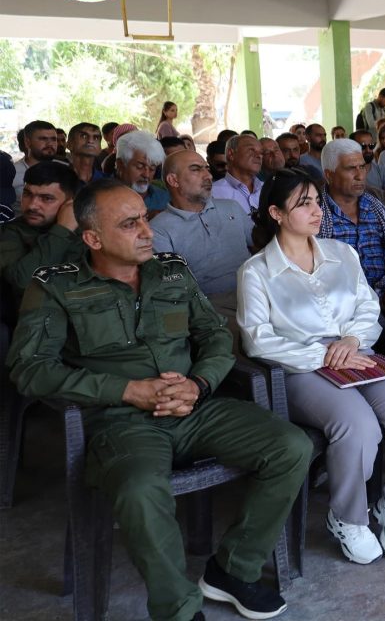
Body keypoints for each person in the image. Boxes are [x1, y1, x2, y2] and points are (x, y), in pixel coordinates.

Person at [8, 178, 311, 621]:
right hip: (120, 421)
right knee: (139, 490)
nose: (147, 232)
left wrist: (199, 385)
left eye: (144, 220)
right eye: (130, 225)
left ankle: (233, 569)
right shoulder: (56, 286)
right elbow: (29, 369)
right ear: (93, 238)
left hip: (194, 408)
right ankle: (178, 609)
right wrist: (127, 390)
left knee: (291, 446)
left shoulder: (170, 270)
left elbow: (213, 336)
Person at [237, 167, 385, 564]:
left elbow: (367, 306)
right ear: (276, 213)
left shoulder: (341, 253)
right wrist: (324, 355)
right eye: (304, 203)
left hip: (355, 352)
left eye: (317, 201)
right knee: (356, 423)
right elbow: (257, 339)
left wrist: (351, 341)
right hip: (301, 367)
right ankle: (348, 516)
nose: (317, 211)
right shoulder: (257, 272)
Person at [151, 149, 253, 305]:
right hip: (209, 306)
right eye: (196, 169)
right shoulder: (159, 229)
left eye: (207, 168)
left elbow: (260, 246)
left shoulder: (232, 207)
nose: (209, 176)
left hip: (255, 291)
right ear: (173, 180)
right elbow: (173, 288)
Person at [317, 139, 385, 306]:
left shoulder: (375, 205)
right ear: (329, 175)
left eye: (362, 167)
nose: (360, 176)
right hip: (339, 305)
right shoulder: (315, 213)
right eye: (351, 169)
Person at [0, 162, 85, 315]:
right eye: (27, 194)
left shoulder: (88, 231)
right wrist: (62, 230)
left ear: (70, 202)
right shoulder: (12, 232)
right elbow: (23, 282)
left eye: (46, 198)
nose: (32, 205)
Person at [114, 130, 171, 214]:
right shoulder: (101, 197)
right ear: (120, 165)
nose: (146, 175)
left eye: (152, 168)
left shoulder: (164, 198)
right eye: (139, 166)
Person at [211, 134, 264, 215]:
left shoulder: (268, 189)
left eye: (261, 152)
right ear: (231, 154)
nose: (259, 156)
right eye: (251, 150)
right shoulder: (213, 193)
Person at [11, 120, 58, 198]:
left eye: (53, 139)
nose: (50, 144)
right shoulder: (13, 173)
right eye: (43, 139)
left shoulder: (66, 169)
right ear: (27, 142)